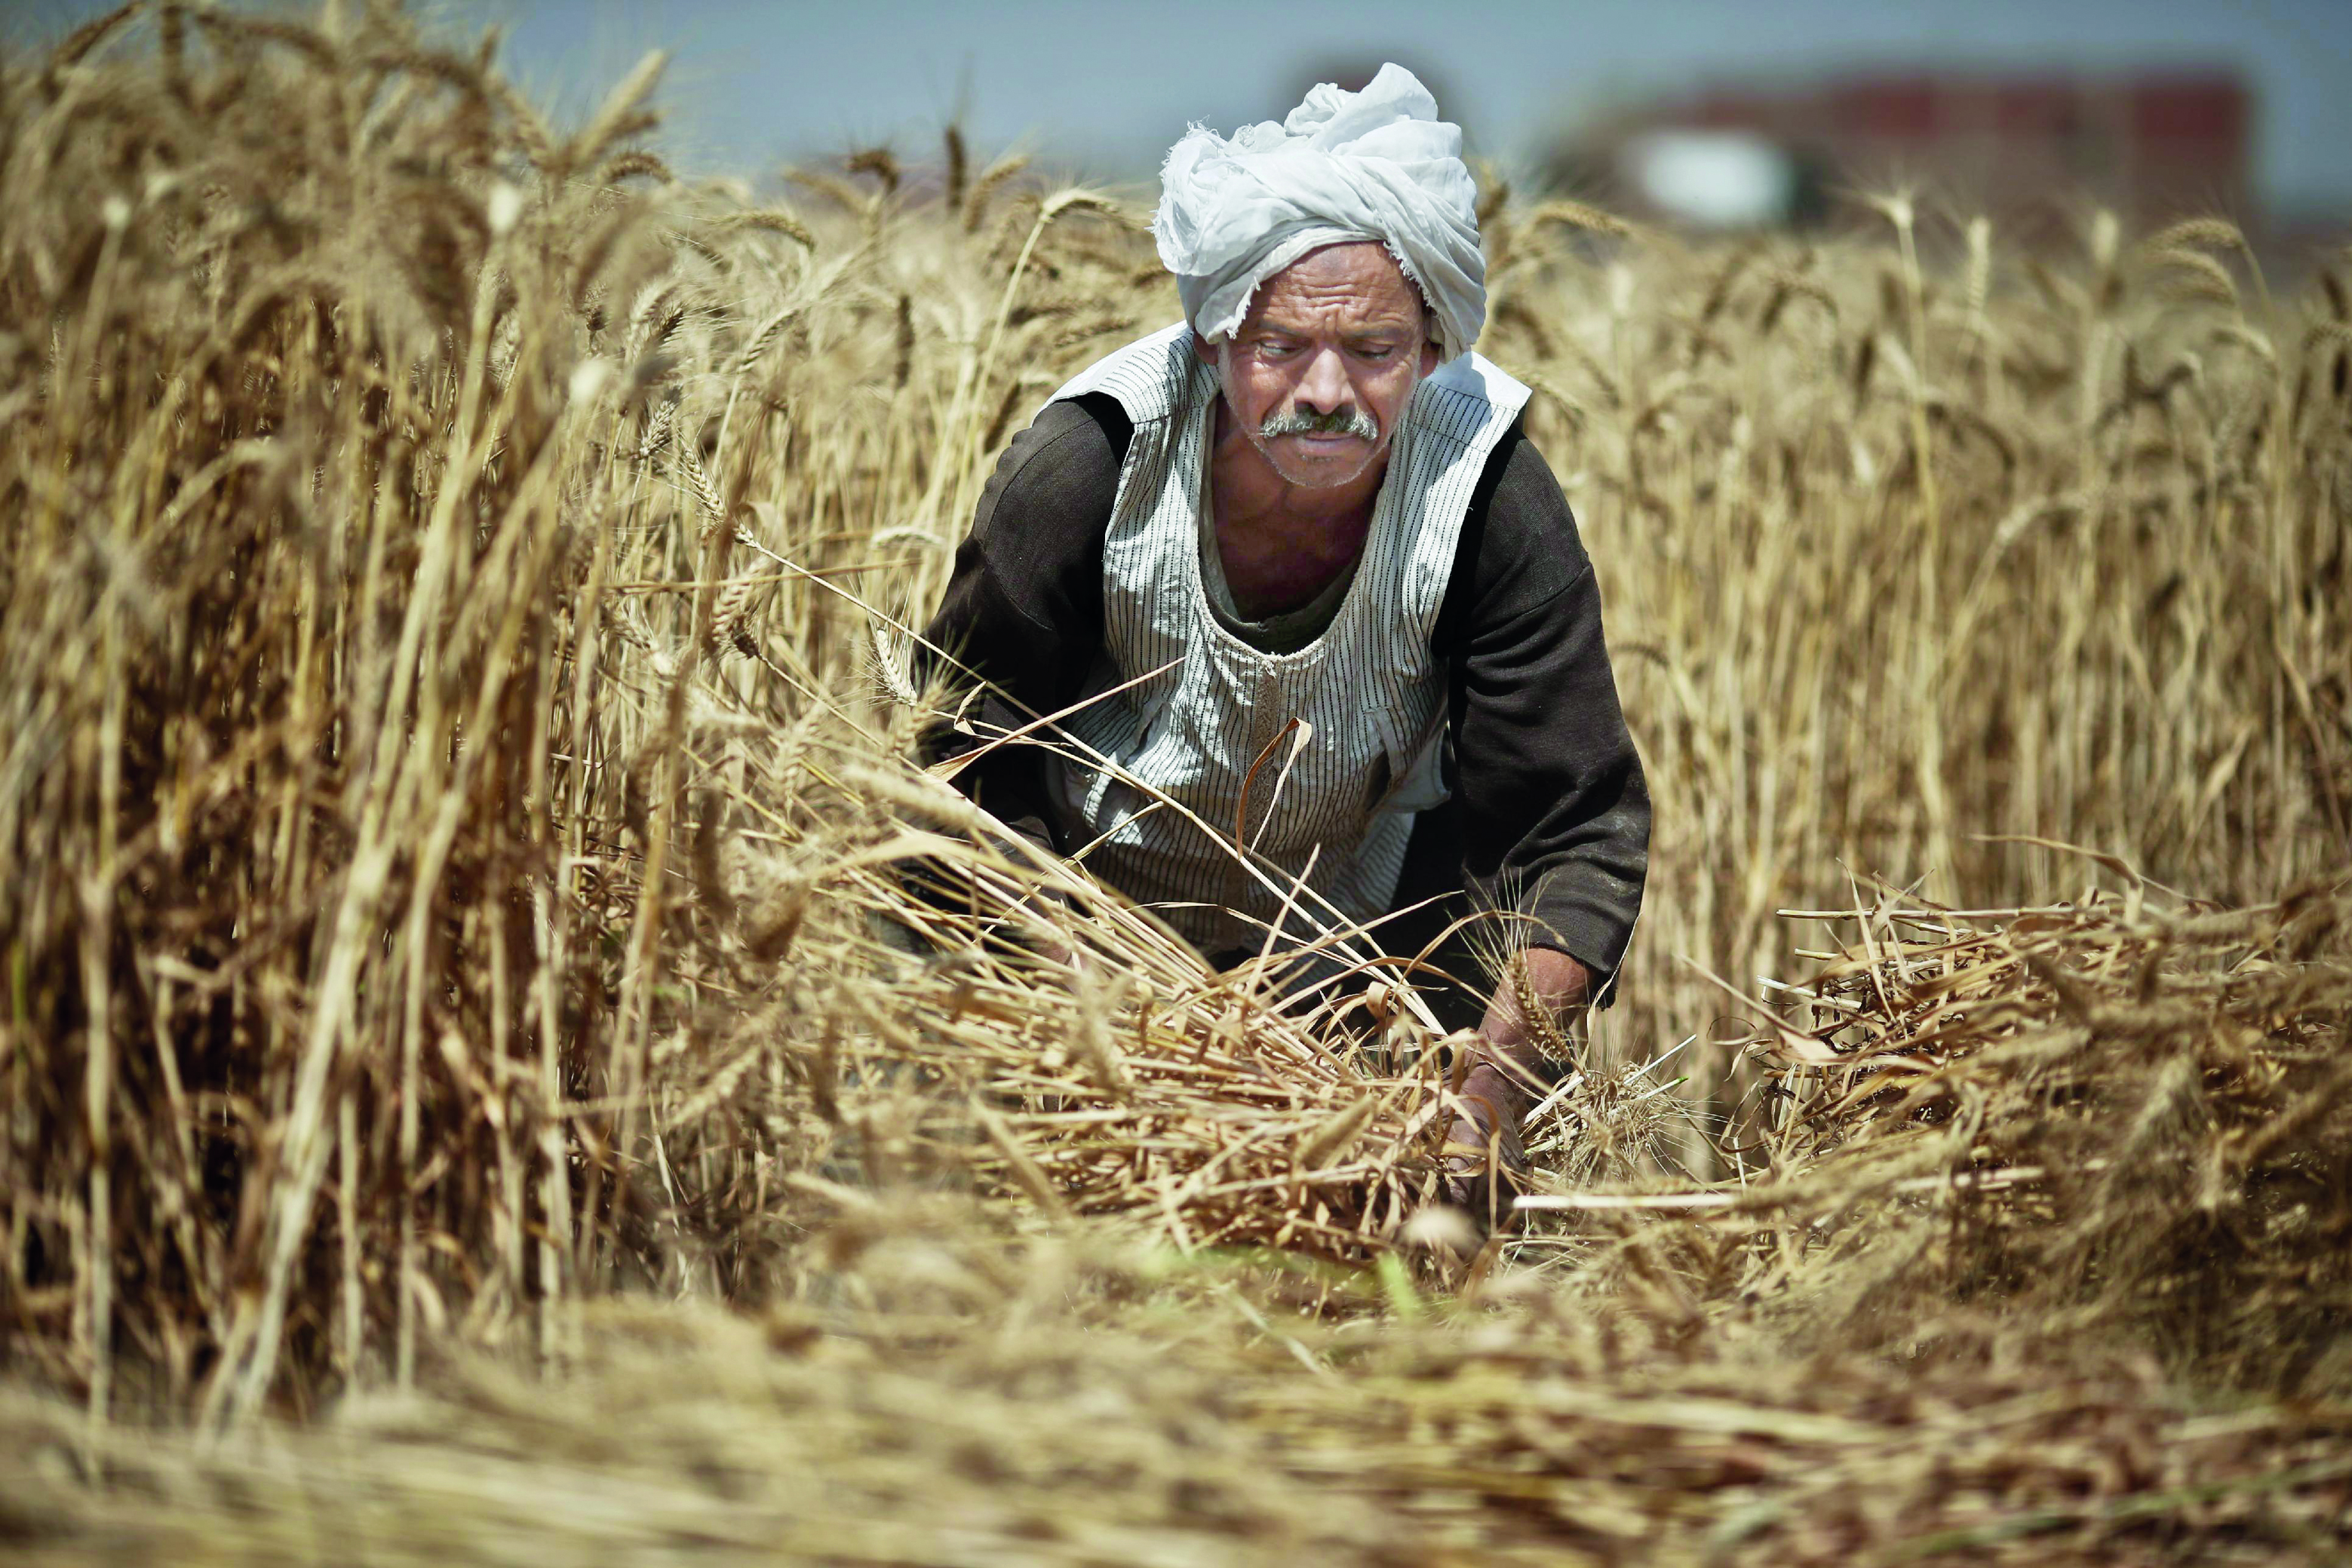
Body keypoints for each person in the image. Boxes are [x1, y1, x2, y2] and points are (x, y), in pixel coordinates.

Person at [920, 65, 1648, 1223]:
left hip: (1349, 960)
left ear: (1431, 349)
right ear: (1212, 340)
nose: (1324, 390)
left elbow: (1571, 833)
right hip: (1074, 955)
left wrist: (1485, 1098)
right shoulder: (1089, 467)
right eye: (1278, 345)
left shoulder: (1486, 495)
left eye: (1373, 348)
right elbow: (961, 767)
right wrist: (1103, 1040)